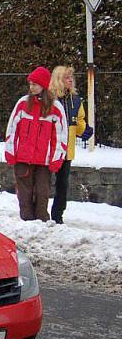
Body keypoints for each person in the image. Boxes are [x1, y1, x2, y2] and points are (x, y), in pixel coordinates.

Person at [4, 66, 68, 222]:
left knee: (42, 193)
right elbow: (12, 129)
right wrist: (10, 152)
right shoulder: (22, 104)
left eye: (35, 84)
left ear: (44, 85)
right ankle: (26, 222)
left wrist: (57, 158)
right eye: (30, 84)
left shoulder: (56, 108)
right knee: (24, 195)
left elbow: (60, 136)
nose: (31, 87)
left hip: (44, 161)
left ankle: (41, 222)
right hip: (23, 159)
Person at [49, 66, 93, 224]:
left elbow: (79, 120)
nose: (71, 80)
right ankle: (39, 214)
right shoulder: (49, 99)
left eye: (71, 77)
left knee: (62, 185)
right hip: (49, 150)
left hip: (67, 151)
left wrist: (85, 131)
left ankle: (57, 216)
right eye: (67, 77)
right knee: (43, 184)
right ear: (59, 79)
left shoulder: (75, 100)